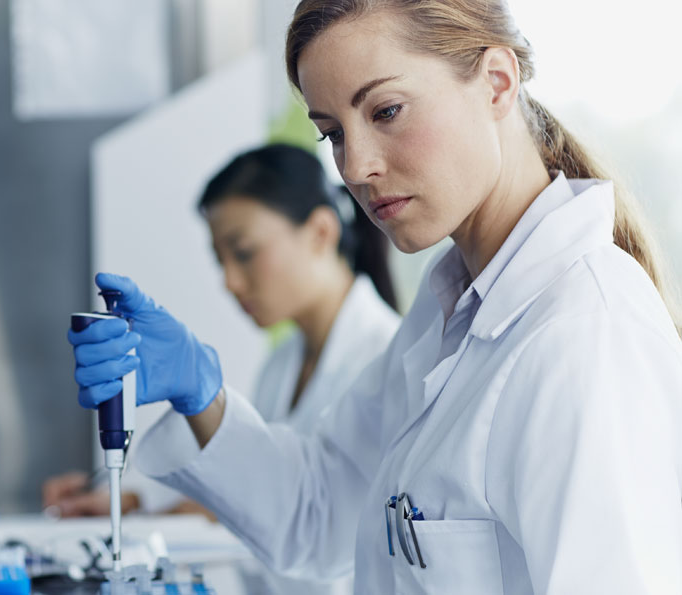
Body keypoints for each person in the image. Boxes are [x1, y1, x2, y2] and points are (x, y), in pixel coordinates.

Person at [67, 0, 682, 592]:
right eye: (332, 133)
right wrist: (201, 392)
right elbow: (319, 516)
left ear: (496, 83)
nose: (355, 166)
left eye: (386, 111)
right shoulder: (446, 315)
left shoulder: (586, 334)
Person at [47, 144, 401, 594]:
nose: (230, 282)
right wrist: (133, 498)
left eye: (245, 252)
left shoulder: (384, 356)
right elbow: (266, 490)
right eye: (221, 261)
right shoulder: (283, 363)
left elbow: (322, 519)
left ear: (320, 232)